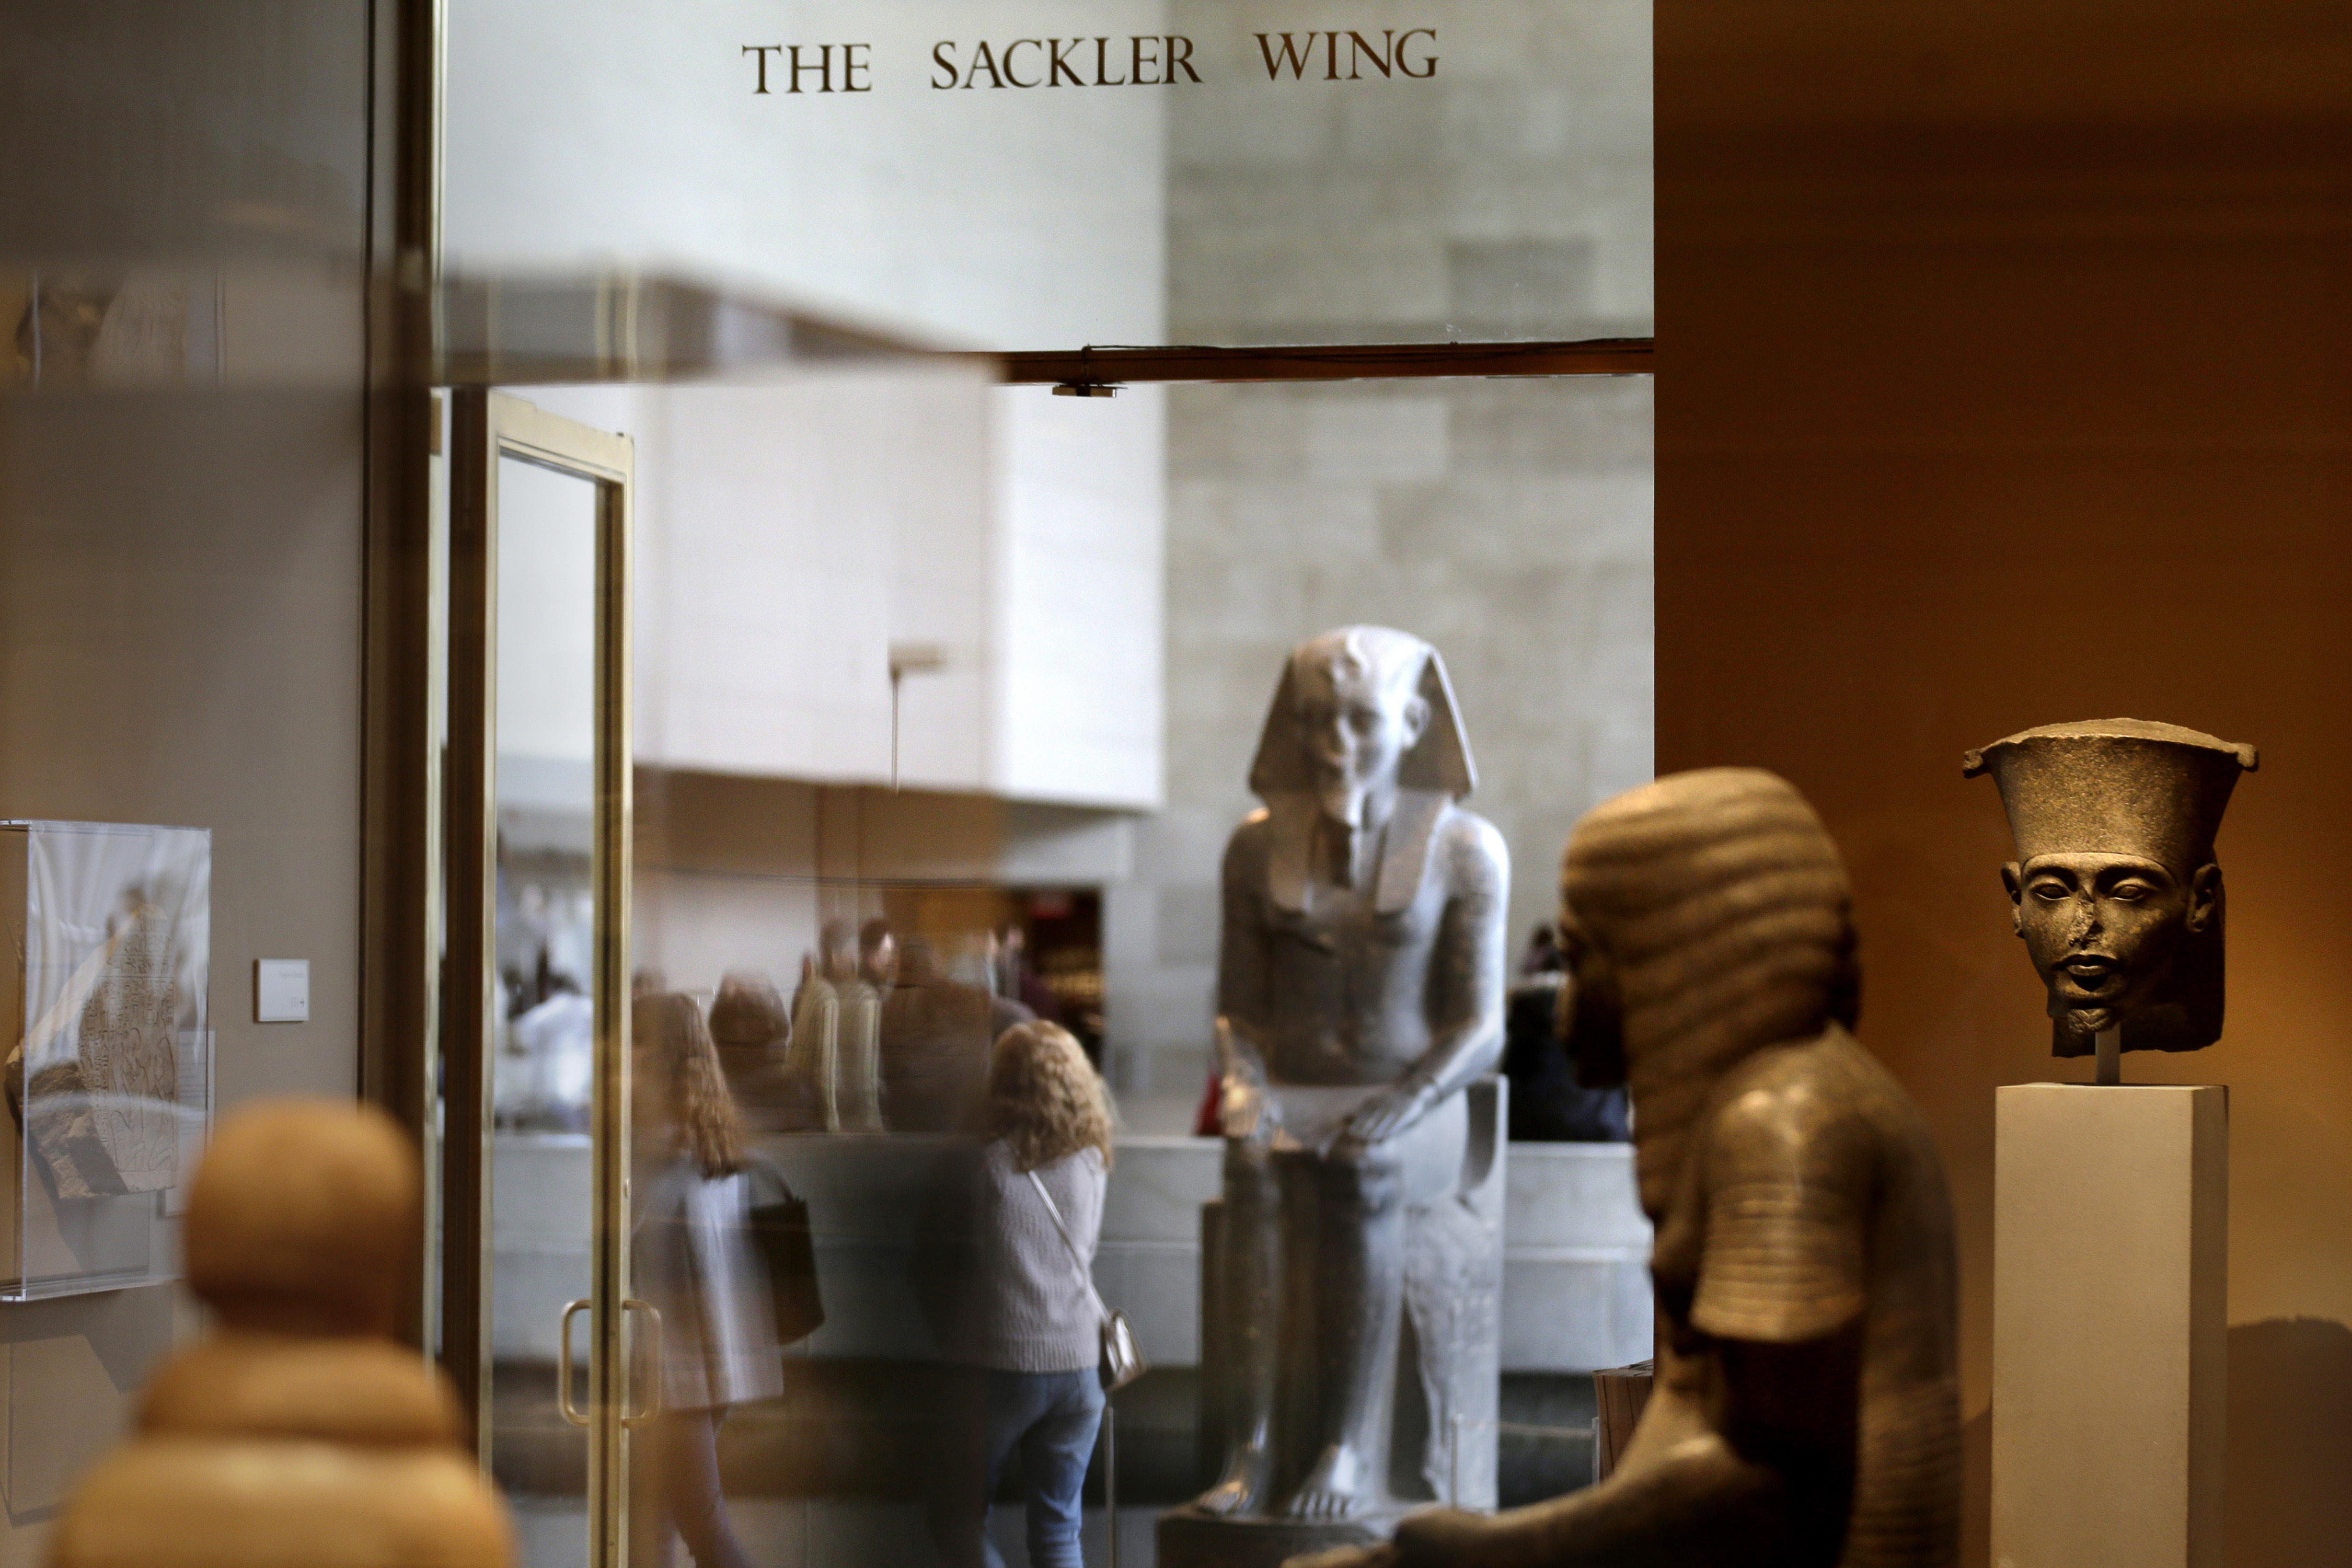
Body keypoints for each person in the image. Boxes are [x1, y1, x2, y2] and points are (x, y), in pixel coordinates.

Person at [923, 1021, 1116, 1568]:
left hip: (1002, 1362)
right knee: (1058, 1532)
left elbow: (939, 1262)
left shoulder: (984, 1163)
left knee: (953, 1515)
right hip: (1080, 1365)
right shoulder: (1092, 1159)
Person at [629, 992, 785, 1568]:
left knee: (703, 1526)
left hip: (682, 1372)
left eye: (636, 1045)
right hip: (713, 1361)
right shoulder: (715, 1133)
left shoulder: (664, 1146)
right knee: (656, 1521)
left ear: (658, 1054)